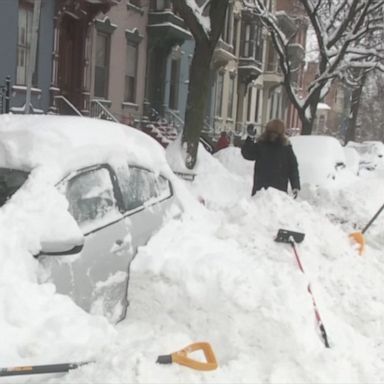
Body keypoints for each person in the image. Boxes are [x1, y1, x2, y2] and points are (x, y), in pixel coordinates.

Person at [241, 119, 300, 197]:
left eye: (275, 133)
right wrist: (295, 186)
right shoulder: (285, 148)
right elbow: (293, 168)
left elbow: (247, 154)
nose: (273, 135)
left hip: (261, 190)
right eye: (272, 132)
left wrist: (250, 138)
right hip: (278, 192)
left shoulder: (262, 145)